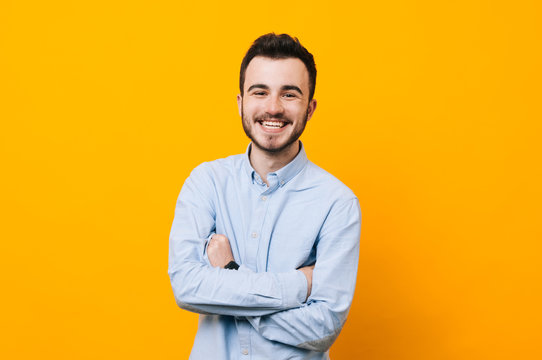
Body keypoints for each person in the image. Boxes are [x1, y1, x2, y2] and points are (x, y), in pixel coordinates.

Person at [168, 33, 361, 360]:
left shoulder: (337, 203)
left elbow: (323, 327)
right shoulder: (207, 183)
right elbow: (188, 287)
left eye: (289, 94)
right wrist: (299, 286)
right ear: (241, 102)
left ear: (310, 108)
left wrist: (230, 272)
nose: (273, 107)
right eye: (260, 92)